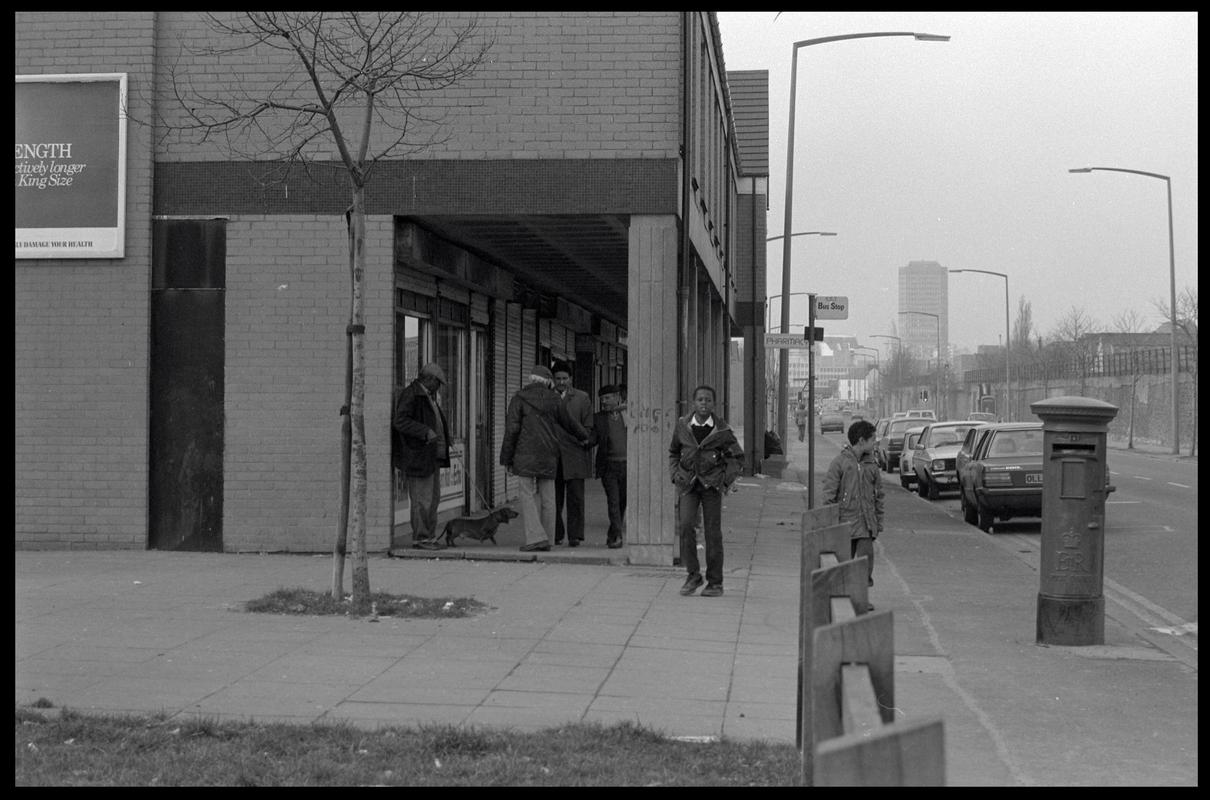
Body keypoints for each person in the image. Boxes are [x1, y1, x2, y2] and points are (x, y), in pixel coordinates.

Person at [500, 365, 590, 552]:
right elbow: (570, 423)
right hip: (549, 455)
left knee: (527, 496)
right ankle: (548, 539)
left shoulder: (519, 399)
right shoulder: (555, 399)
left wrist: (507, 459)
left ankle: (535, 538)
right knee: (549, 498)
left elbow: (512, 430)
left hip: (525, 455)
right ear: (548, 381)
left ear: (531, 379)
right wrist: (585, 437)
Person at [669, 384, 744, 597]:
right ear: (693, 403)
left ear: (714, 403)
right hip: (688, 485)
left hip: (711, 486)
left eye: (708, 400)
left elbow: (737, 458)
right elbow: (673, 452)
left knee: (712, 534)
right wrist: (675, 474)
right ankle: (693, 574)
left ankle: (715, 582)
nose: (704, 403)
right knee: (685, 526)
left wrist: (725, 481)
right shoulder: (683, 425)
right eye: (700, 400)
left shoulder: (722, 430)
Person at [821, 418, 885, 600]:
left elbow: (879, 496)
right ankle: (843, 596)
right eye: (872, 440)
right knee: (844, 563)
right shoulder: (840, 463)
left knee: (865, 563)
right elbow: (829, 494)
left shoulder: (872, 466)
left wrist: (878, 522)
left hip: (866, 524)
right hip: (845, 524)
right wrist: (829, 523)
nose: (875, 444)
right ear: (861, 441)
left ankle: (861, 599)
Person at [392, 362, 451, 550]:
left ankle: (429, 536)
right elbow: (400, 421)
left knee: (433, 499)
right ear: (430, 379)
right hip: (418, 456)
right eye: (438, 383)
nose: (439, 387)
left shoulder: (428, 396)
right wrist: (424, 431)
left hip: (430, 455)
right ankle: (421, 538)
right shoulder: (412, 395)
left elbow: (436, 421)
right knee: (421, 500)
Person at [551, 361, 595, 547]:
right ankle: (556, 533)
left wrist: (581, 440)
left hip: (575, 454)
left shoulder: (582, 398)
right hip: (553, 455)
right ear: (553, 380)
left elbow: (588, 427)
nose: (561, 382)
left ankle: (575, 535)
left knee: (576, 498)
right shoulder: (547, 397)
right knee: (553, 497)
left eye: (565, 378)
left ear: (571, 379)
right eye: (558, 378)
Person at [593, 384, 627, 548]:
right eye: (601, 399)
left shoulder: (628, 414)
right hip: (608, 466)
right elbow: (591, 439)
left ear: (617, 396)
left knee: (622, 502)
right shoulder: (598, 418)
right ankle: (618, 537)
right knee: (613, 501)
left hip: (627, 466)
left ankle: (612, 533)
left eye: (607, 398)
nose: (604, 402)